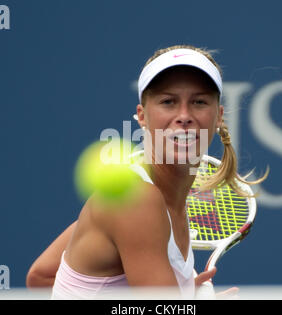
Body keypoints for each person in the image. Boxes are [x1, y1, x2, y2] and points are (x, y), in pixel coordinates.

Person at [26, 45, 264, 299]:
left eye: (199, 101)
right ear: (142, 116)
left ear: (218, 116)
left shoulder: (144, 195)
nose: (184, 115)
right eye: (168, 102)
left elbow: (42, 276)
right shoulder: (134, 197)